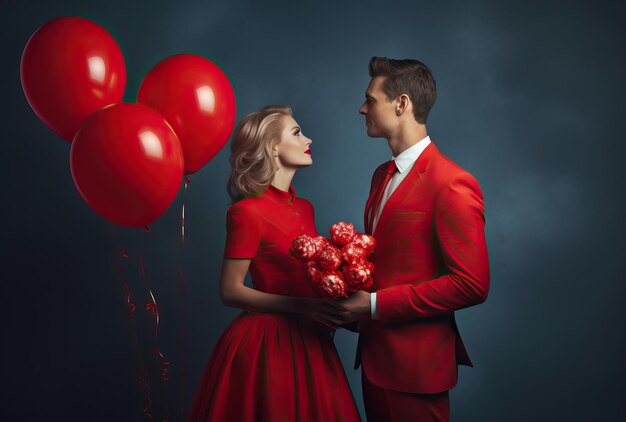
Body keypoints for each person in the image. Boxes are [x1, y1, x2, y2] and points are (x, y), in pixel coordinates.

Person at [336, 57, 490, 421]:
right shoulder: (380, 176)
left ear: (401, 104)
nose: (362, 108)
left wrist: (373, 305)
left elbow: (472, 285)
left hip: (416, 370)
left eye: (370, 100)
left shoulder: (451, 182)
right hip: (373, 358)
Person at [189, 105, 361, 421]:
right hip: (267, 346)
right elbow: (230, 291)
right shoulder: (247, 212)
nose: (308, 138)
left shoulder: (306, 208)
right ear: (272, 147)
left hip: (311, 339)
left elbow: (307, 277)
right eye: (296, 132)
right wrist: (303, 306)